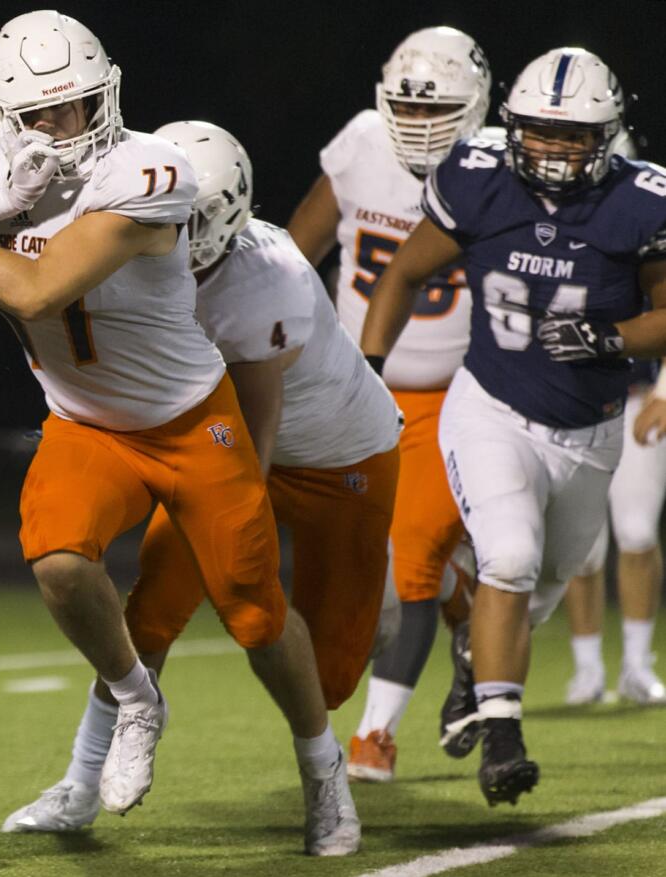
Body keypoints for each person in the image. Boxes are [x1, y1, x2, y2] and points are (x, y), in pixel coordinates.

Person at [0, 11, 358, 855]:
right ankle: (135, 699)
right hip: (84, 422)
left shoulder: (151, 170)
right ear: (2, 118)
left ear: (108, 94)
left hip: (192, 422)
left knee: (257, 617)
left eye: (81, 105)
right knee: (57, 561)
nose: (66, 127)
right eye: (44, 114)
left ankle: (323, 768)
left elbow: (36, 291)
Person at [0, 119, 398, 847]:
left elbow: (255, 442)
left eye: (190, 213)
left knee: (325, 665)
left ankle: (327, 754)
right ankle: (82, 782)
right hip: (200, 438)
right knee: (150, 608)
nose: (173, 224)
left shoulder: (260, 278)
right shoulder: (126, 233)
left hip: (337, 455)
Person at [360, 47, 666, 806]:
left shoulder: (641, 203)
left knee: (552, 574)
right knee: (511, 554)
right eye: (538, 132)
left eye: (573, 136)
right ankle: (503, 736)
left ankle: (474, 660)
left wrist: (613, 340)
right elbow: (403, 272)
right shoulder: (477, 178)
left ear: (609, 136)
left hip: (590, 429)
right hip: (491, 406)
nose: (554, 149)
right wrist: (368, 366)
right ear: (511, 125)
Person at [286, 26, 491, 783]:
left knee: (410, 555)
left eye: (435, 108)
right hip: (350, 383)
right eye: (404, 104)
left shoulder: (497, 167)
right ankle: (465, 611)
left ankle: (375, 733)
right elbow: (296, 246)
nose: (416, 123)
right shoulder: (363, 144)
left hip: (452, 394)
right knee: (363, 562)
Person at [563, 365, 666, 705]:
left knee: (637, 533)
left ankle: (637, 666)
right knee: (583, 547)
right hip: (569, 402)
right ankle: (587, 668)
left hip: (638, 397)